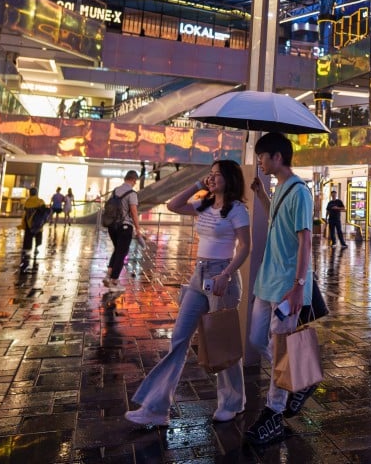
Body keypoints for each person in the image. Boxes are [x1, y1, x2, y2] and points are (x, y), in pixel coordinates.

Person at [125, 161, 251, 428]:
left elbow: (244, 247)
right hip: (198, 276)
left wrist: (226, 273)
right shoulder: (203, 205)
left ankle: (233, 401)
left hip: (222, 278)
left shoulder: (238, 210)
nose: (212, 178)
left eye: (218, 175)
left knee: (221, 342)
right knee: (179, 340)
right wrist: (197, 185)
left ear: (230, 178)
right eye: (211, 174)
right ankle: (157, 409)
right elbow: (172, 205)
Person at [246, 132, 314, 446]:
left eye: (262, 156)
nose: (259, 162)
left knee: (282, 349)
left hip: (286, 285)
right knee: (258, 339)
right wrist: (261, 194)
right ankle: (298, 379)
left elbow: (305, 240)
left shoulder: (299, 192)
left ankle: (274, 410)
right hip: (267, 281)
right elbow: (276, 216)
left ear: (277, 157)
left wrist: (299, 286)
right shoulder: (282, 188)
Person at [102, 171, 144, 291]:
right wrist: (138, 228)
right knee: (122, 253)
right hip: (124, 227)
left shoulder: (115, 191)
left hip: (112, 226)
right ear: (133, 180)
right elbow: (134, 212)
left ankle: (108, 275)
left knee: (117, 250)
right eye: (135, 181)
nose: (135, 183)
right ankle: (115, 281)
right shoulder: (132, 193)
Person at [20, 187, 48, 271]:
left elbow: (25, 209)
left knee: (28, 236)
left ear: (30, 193)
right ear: (36, 193)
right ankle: (36, 247)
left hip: (28, 222)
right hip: (37, 223)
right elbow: (44, 211)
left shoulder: (27, 201)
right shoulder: (40, 201)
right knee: (38, 235)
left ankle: (27, 249)